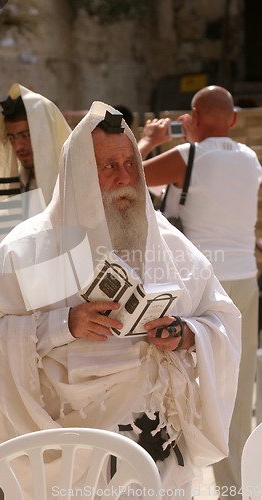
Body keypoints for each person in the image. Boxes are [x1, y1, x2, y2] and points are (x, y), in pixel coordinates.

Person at [0, 101, 241, 499]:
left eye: (131, 164)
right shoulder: (31, 248)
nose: (125, 178)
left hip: (159, 446)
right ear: (78, 173)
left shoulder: (167, 242)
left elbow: (221, 317)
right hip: (72, 454)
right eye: (109, 166)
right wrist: (64, 325)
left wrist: (186, 333)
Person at [143, 85, 262, 498]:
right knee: (236, 385)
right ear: (231, 120)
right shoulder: (250, 159)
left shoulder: (186, 156)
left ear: (192, 116)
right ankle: (238, 489)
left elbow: (123, 174)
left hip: (201, 287)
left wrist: (149, 141)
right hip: (246, 280)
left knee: (182, 386)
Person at [0, 83, 72, 284]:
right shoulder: (5, 191)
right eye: (11, 137)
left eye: (25, 135)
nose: (18, 146)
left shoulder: (74, 185)